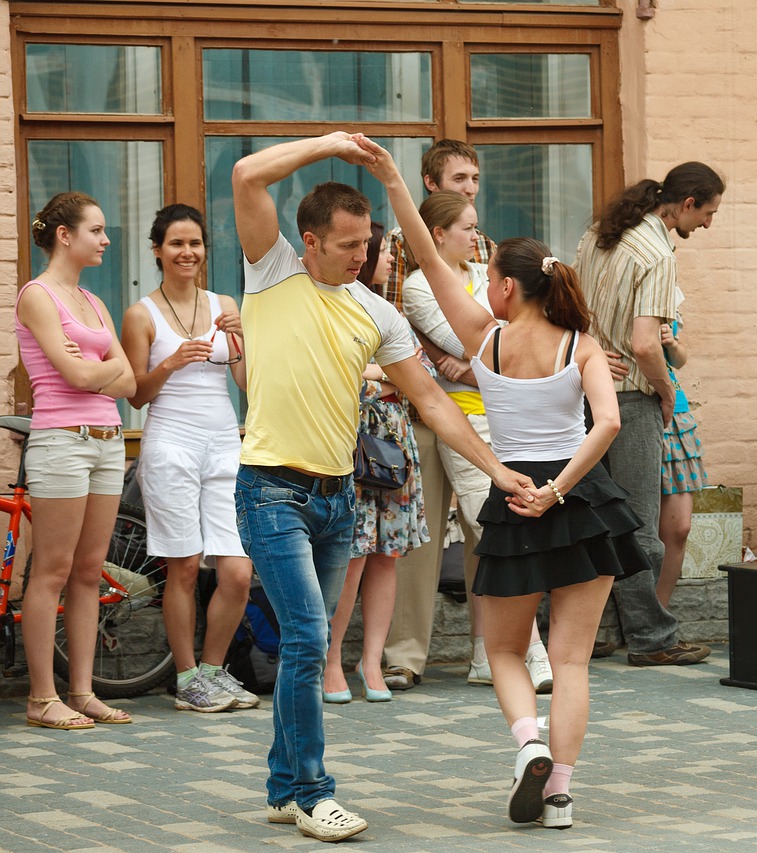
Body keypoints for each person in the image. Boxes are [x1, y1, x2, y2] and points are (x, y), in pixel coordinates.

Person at [230, 131, 535, 842]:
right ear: (308, 242)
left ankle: (283, 785)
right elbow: (246, 174)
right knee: (309, 637)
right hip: (272, 491)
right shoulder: (271, 271)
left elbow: (431, 400)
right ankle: (313, 793)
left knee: (306, 644)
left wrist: (497, 470)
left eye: (366, 244)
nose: (360, 255)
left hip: (339, 498)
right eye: (346, 245)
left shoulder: (376, 311)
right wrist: (330, 144)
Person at [366, 133, 645, 830]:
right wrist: (560, 489)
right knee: (572, 662)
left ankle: (529, 747)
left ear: (508, 287)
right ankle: (561, 795)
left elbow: (425, 254)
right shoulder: (580, 344)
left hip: (511, 494)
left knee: (502, 650)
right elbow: (608, 423)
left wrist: (394, 180)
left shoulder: (484, 338)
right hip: (578, 498)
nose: (481, 284)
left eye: (488, 276)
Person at [573, 162, 724, 666]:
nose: (708, 224)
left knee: (583, 516)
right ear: (687, 204)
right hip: (628, 398)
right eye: (707, 213)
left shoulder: (601, 233)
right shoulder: (657, 253)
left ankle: (583, 632)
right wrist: (663, 391)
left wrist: (586, 347)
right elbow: (644, 344)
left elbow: (567, 309)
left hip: (580, 393)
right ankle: (651, 638)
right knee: (637, 522)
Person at [402, 191, 553, 691]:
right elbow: (480, 343)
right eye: (467, 227)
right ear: (438, 234)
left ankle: (488, 655)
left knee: (505, 529)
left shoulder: (485, 274)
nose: (476, 235)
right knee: (493, 527)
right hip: (465, 420)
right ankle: (532, 650)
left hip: (511, 417)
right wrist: (481, 357)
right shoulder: (419, 285)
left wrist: (471, 364)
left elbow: (513, 340)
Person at [121, 203, 258, 714]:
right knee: (181, 568)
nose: (187, 252)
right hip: (170, 443)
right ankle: (186, 680)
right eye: (176, 243)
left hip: (224, 441)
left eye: (195, 243)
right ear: (157, 250)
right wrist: (172, 363)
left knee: (238, 570)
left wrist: (241, 340)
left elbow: (246, 383)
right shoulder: (142, 314)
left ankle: (213, 672)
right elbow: (136, 395)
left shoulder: (224, 302)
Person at [16, 191, 136, 730]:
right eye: (97, 230)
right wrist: (102, 368)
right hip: (62, 440)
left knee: (89, 571)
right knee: (52, 571)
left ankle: (82, 692)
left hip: (108, 440)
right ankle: (42, 698)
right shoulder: (38, 295)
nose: (106, 240)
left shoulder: (93, 301)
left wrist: (98, 371)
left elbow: (129, 382)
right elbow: (82, 376)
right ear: (65, 236)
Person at [381, 138, 497, 690]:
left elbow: (500, 330)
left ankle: (489, 650)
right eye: (458, 180)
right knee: (417, 536)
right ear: (430, 184)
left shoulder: (483, 247)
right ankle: (404, 655)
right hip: (417, 409)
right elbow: (393, 321)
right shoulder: (398, 246)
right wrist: (444, 358)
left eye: (474, 179)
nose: (469, 189)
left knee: (482, 531)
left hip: (478, 409)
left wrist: (468, 367)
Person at [322, 223, 430, 704]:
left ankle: (371, 662)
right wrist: (388, 374)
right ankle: (330, 662)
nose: (387, 259)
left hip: (393, 445)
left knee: (387, 555)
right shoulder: (333, 304)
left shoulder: (387, 310)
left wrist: (380, 375)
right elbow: (335, 370)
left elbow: (421, 371)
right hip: (350, 442)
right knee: (351, 557)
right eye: (381, 251)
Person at [654, 303, 710, 607]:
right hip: (625, 407)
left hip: (675, 417)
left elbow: (678, 360)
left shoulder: (666, 293)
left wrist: (672, 345)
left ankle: (657, 615)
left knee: (678, 527)